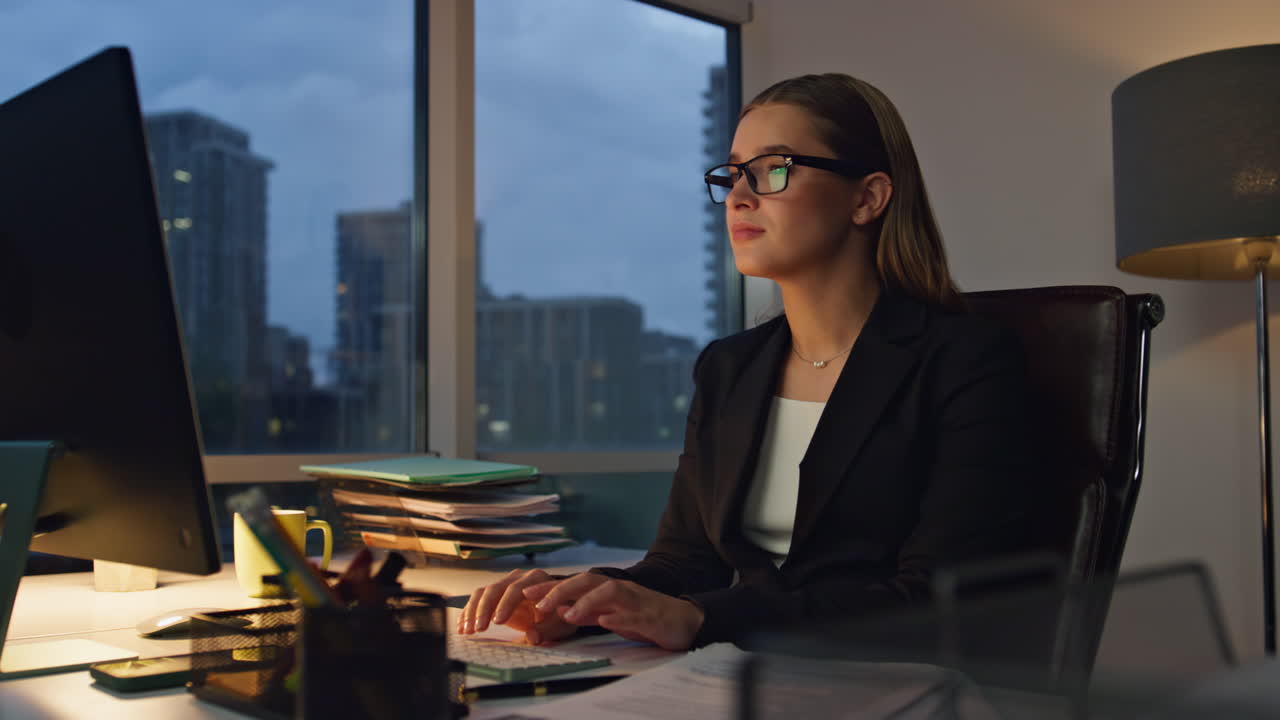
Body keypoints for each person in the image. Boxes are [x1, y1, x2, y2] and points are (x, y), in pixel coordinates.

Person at [458, 73, 1036, 651]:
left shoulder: (965, 361)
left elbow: (934, 599)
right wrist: (582, 599)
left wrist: (702, 621)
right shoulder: (728, 368)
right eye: (733, 173)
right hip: (742, 675)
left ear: (868, 197)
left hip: (892, 684)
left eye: (772, 169)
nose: (739, 195)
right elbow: (684, 563)